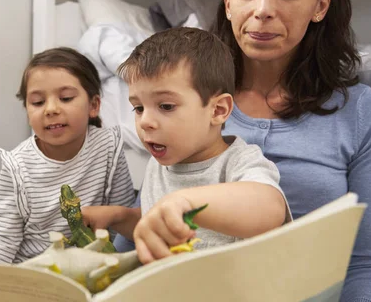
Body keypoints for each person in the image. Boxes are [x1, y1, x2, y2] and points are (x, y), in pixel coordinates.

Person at [211, 0, 371, 301]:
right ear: (229, 4)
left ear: (321, 5)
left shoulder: (366, 115)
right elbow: (150, 216)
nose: (263, 9)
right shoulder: (191, 100)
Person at [83, 27, 290, 264]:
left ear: (218, 110)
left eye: (166, 106)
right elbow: (158, 227)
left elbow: (270, 208)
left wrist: (187, 203)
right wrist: (119, 217)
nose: (146, 122)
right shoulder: (158, 164)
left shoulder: (238, 161)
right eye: (139, 108)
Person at [0, 47, 136, 264]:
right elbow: (2, 238)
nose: (50, 109)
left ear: (93, 105)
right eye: (37, 102)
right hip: (35, 269)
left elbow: (122, 217)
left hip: (90, 266)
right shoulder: (17, 166)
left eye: (66, 98)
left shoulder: (109, 146)